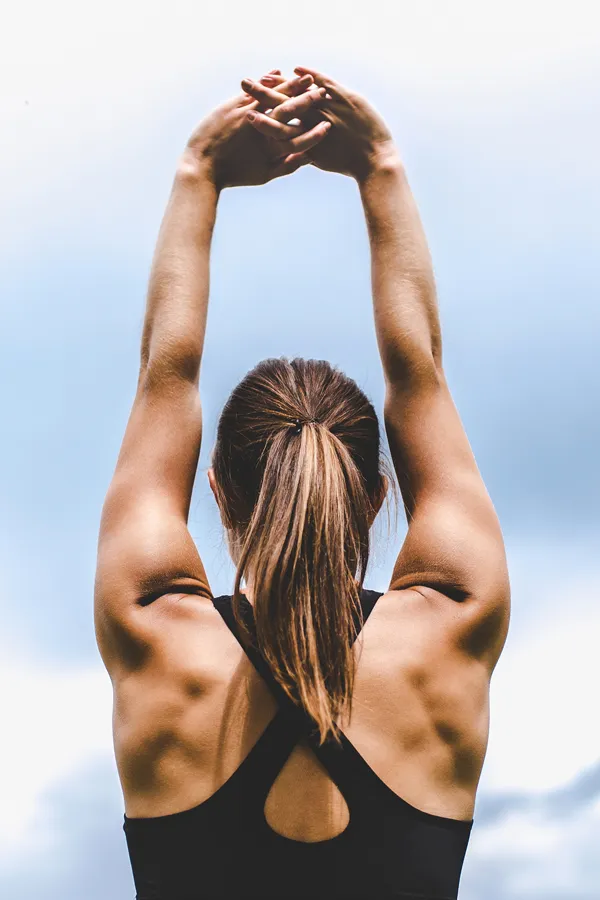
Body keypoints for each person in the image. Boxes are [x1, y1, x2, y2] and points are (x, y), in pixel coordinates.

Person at [94, 65, 510, 900]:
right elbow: (419, 371)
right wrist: (380, 166)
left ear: (217, 491)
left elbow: (162, 378)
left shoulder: (154, 635)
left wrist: (198, 176)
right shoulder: (452, 626)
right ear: (378, 495)